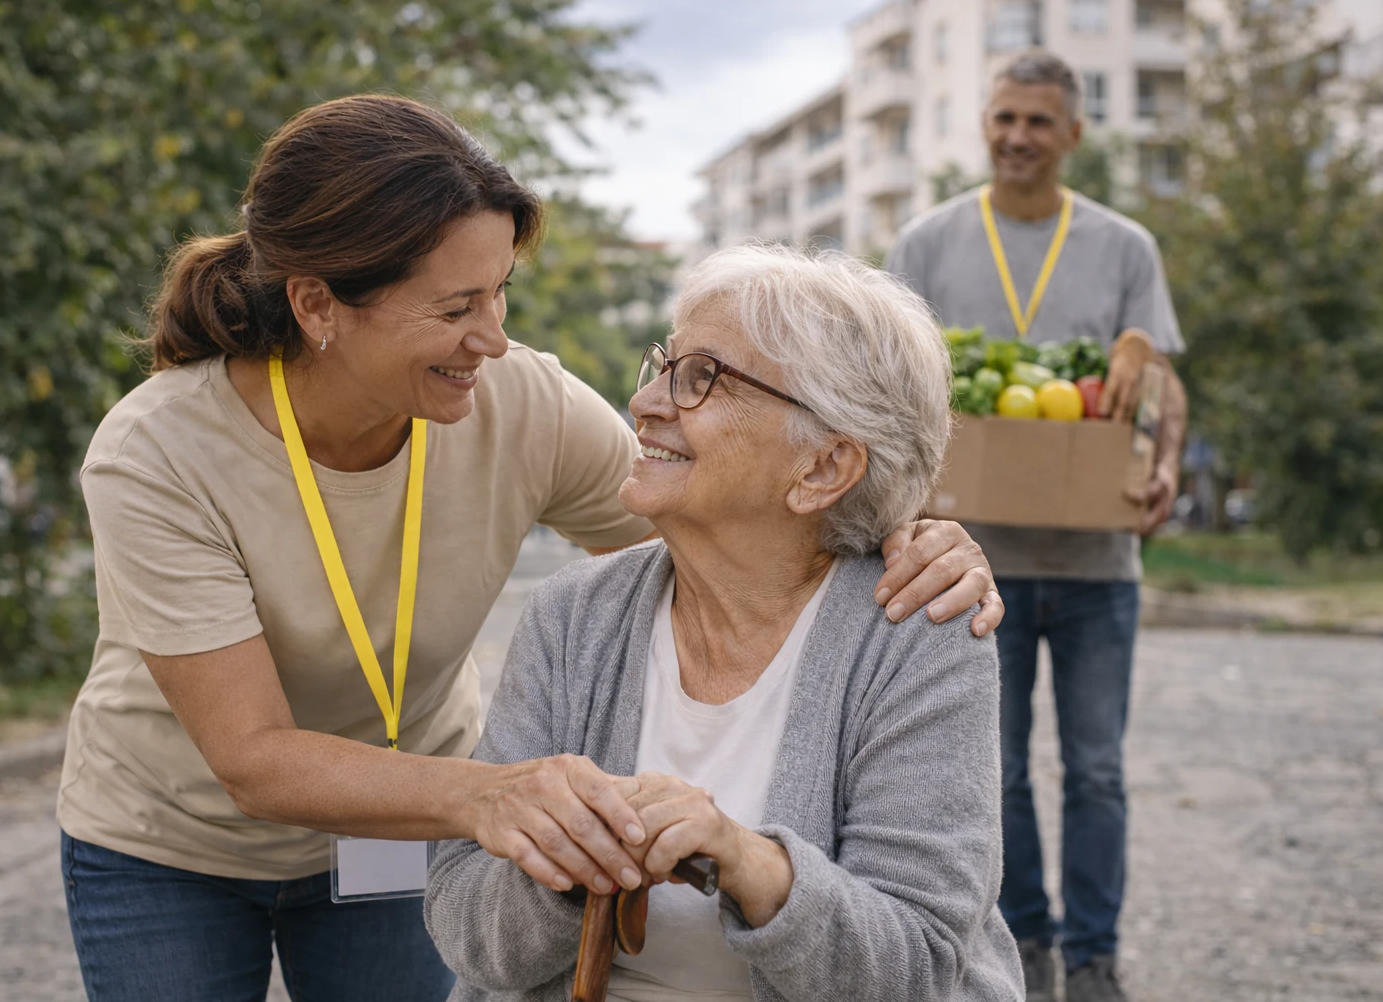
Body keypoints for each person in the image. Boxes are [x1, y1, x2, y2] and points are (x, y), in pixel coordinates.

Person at [56, 94, 1006, 1002]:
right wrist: (501, 798)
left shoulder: (516, 403)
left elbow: (744, 523)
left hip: (406, 818)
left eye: (500, 293)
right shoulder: (159, 451)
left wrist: (905, 537)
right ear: (317, 306)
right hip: (180, 836)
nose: (495, 339)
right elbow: (253, 758)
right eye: (456, 308)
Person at [426, 244, 1024, 1002]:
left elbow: (916, 965)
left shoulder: (919, 629)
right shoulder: (574, 613)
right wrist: (568, 862)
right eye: (664, 366)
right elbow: (464, 924)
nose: (646, 403)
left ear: (823, 468)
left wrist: (746, 862)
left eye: (703, 377)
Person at [886, 50, 1190, 1002]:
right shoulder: (927, 242)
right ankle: (1028, 947)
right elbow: (887, 386)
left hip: (1100, 563)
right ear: (985, 123)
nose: (1018, 137)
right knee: (997, 771)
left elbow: (1162, 389)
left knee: (1097, 770)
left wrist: (1166, 460)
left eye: (1038, 122)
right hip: (974, 564)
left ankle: (1095, 959)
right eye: (1005, 118)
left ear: (1074, 134)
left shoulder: (1124, 246)